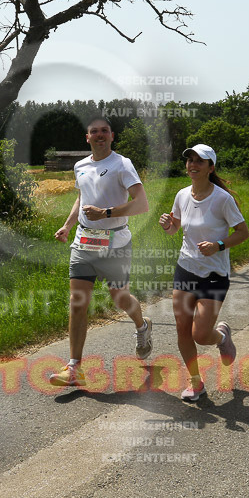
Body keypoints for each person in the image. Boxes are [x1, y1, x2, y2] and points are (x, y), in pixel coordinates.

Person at [50, 117, 152, 387]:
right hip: (85, 242)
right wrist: (68, 225)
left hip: (116, 243)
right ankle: (74, 368)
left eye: (104, 131)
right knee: (78, 302)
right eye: (94, 132)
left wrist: (105, 213)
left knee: (119, 299)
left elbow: (141, 204)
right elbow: (82, 197)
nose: (99, 135)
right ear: (87, 138)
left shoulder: (122, 164)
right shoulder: (80, 166)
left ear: (112, 136)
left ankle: (142, 326)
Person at [159, 144, 249, 402]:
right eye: (190, 160)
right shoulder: (182, 195)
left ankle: (221, 337)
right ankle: (196, 382)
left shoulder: (222, 199)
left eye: (200, 161)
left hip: (214, 275)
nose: (193, 165)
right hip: (186, 269)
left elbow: (243, 233)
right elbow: (176, 228)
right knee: (182, 329)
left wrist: (218, 245)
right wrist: (168, 225)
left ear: (211, 168)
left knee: (201, 335)